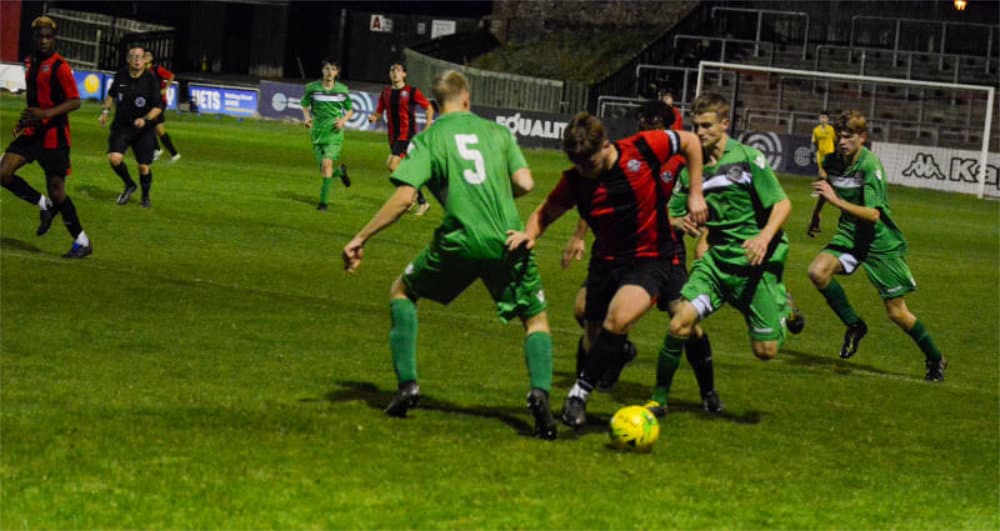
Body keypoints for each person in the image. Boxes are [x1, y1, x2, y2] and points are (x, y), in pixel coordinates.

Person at [342, 71, 557, 440]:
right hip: (508, 239)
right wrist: (494, 195)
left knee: (402, 291)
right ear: (467, 99)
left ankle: (408, 385)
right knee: (535, 321)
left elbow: (405, 198)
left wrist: (361, 237)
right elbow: (525, 183)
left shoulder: (430, 138)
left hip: (458, 240)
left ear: (435, 105)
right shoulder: (498, 132)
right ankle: (539, 395)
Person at [508, 109, 709, 428]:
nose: (584, 171)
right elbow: (545, 212)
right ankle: (619, 352)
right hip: (605, 261)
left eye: (589, 163)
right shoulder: (575, 180)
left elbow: (691, 142)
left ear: (605, 145)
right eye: (578, 164)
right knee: (592, 334)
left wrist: (696, 193)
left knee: (619, 318)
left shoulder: (642, 148)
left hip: (649, 258)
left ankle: (577, 396)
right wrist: (529, 235)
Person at [559, 100, 723, 414]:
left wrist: (698, 231)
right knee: (583, 310)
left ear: (666, 128)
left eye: (653, 124)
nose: (646, 129)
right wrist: (579, 235)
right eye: (643, 123)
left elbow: (704, 205)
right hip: (620, 252)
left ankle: (708, 391)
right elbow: (593, 194)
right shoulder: (626, 155)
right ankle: (611, 357)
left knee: (685, 322)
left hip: (665, 253)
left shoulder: (682, 164)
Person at [643, 92, 795, 416]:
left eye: (707, 126)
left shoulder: (749, 158)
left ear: (725, 123)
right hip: (714, 264)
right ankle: (658, 399)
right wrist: (677, 221)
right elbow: (669, 212)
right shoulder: (691, 170)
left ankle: (783, 306)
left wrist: (763, 237)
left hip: (753, 265)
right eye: (696, 125)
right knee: (679, 324)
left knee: (766, 351)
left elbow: (782, 204)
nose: (699, 132)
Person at [807, 110, 946, 381]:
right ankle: (854, 325)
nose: (842, 142)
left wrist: (835, 201)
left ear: (862, 137)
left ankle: (935, 358)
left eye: (848, 137)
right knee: (817, 271)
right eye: (839, 137)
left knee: (897, 313)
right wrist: (817, 213)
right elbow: (828, 185)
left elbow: (873, 215)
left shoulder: (870, 166)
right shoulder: (831, 160)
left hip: (878, 242)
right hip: (849, 235)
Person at [1, 16, 91, 258]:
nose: (44, 41)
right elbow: (35, 100)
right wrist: (25, 121)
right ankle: (43, 205)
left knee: (57, 192)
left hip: (54, 138)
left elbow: (75, 101)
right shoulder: (30, 63)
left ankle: (82, 241)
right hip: (33, 134)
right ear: (33, 38)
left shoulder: (59, 66)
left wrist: (46, 114)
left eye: (48, 37)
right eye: (40, 37)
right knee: (3, 173)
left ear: (54, 39)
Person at [100, 45, 163, 209]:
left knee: (143, 167)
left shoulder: (150, 80)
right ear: (128, 59)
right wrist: (105, 112)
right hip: (122, 126)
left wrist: (145, 119)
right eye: (133, 56)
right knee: (114, 158)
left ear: (145, 60)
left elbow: (158, 108)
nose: (136, 60)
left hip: (144, 130)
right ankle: (129, 184)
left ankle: (145, 197)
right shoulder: (121, 75)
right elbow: (111, 95)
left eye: (140, 57)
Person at [368, 62, 435, 215]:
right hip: (393, 136)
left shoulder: (412, 91)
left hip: (407, 135)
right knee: (397, 168)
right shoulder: (386, 93)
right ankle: (417, 200)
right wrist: (374, 117)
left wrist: (427, 127)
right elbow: (379, 111)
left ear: (404, 74)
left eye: (398, 70)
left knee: (393, 165)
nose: (395, 73)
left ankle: (416, 198)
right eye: (392, 70)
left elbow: (429, 108)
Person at [301, 58, 353, 211]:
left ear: (337, 72)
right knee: (324, 169)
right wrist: (307, 118)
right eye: (327, 69)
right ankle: (340, 172)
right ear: (322, 70)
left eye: (333, 69)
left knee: (326, 163)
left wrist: (342, 121)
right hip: (317, 132)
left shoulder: (342, 90)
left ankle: (323, 203)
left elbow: (349, 110)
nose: (330, 72)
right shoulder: (312, 88)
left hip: (334, 133)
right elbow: (304, 104)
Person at [144, 50, 181, 162]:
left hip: (159, 102)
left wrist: (165, 88)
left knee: (156, 127)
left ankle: (172, 153)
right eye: (144, 55)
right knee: (150, 126)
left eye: (148, 55)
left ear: (152, 58)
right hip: (150, 103)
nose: (145, 56)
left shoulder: (157, 69)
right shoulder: (143, 71)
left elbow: (171, 75)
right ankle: (158, 150)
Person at [812, 111, 834, 178]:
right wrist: (812, 152)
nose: (823, 119)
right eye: (821, 117)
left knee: (828, 171)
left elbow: (835, 141)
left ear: (828, 119)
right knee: (821, 171)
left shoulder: (831, 129)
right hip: (820, 154)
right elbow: (814, 142)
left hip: (829, 153)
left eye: (824, 118)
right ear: (819, 119)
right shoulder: (816, 130)